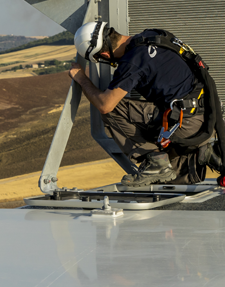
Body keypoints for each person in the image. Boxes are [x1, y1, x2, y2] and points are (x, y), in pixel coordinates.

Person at [67, 21, 209, 186]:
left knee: (111, 108)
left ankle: (158, 162)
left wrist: (81, 79)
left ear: (104, 55)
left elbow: (105, 105)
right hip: (205, 113)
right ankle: (206, 153)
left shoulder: (132, 61)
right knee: (167, 178)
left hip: (186, 122)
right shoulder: (153, 34)